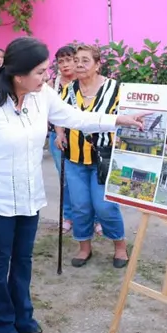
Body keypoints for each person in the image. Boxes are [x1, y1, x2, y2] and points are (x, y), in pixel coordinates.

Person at [0, 37, 147, 333]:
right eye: (40, 72)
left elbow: (76, 118)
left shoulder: (41, 95)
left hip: (29, 196)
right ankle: (3, 327)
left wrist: (118, 120)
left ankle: (23, 316)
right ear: (18, 74)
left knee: (24, 258)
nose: (47, 77)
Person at [54, 44, 128, 268]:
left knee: (105, 206)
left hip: (103, 158)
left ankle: (120, 246)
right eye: (76, 60)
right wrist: (59, 134)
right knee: (80, 206)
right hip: (74, 158)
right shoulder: (68, 89)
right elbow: (59, 115)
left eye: (85, 60)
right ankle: (84, 247)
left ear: (97, 65)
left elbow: (124, 117)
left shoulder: (114, 89)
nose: (79, 64)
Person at [46, 45, 77, 233]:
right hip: (57, 137)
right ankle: (68, 216)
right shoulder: (52, 84)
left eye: (68, 60)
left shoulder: (83, 81)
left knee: (85, 176)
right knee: (65, 178)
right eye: (61, 61)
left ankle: (94, 218)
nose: (65, 65)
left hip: (81, 137)